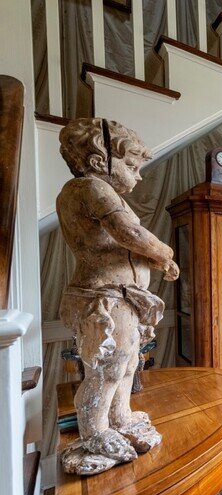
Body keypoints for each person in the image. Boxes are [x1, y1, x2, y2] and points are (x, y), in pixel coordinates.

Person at [57, 118, 179, 475]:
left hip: (125, 296)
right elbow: (129, 234)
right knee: (110, 364)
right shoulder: (90, 189)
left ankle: (120, 415)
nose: (138, 176)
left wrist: (153, 260)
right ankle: (95, 431)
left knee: (127, 362)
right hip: (104, 296)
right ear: (100, 161)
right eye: (131, 166)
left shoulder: (98, 191)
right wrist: (164, 253)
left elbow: (123, 243)